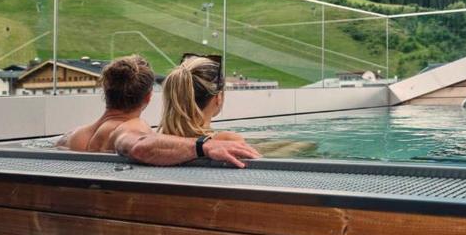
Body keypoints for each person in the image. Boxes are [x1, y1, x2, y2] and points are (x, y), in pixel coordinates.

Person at [58, 55, 259, 167]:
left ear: (105, 90)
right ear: (148, 97)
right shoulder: (133, 128)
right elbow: (138, 146)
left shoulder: (72, 137)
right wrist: (203, 146)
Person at [160, 54, 317, 158]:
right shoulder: (227, 139)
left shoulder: (159, 140)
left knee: (294, 144)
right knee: (307, 145)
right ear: (218, 98)